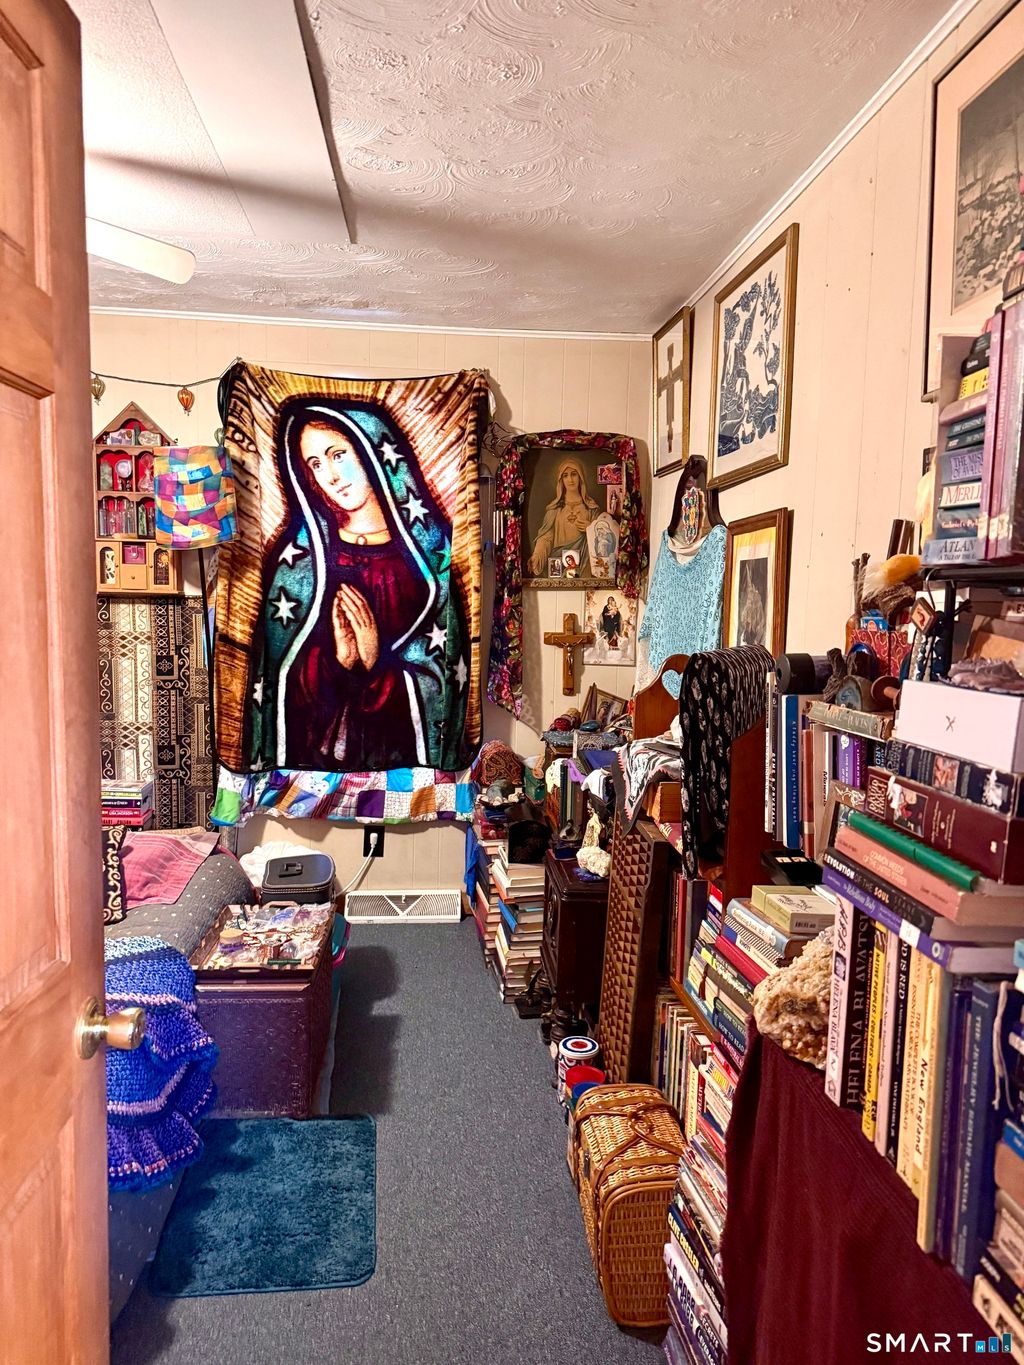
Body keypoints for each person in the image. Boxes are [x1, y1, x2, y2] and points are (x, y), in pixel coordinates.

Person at [254, 399, 467, 772]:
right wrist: (339, 661)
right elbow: (279, 679)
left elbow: (444, 673)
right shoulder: (301, 562)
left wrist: (376, 660)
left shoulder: (431, 554)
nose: (331, 476)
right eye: (315, 464)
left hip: (402, 758)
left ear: (372, 452)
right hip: (321, 765)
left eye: (338, 455)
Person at [527, 457, 599, 576]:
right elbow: (546, 538)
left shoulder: (591, 508)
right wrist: (537, 556)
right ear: (561, 480)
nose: (570, 479)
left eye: (574, 474)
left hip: (585, 566)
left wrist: (591, 529)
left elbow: (603, 540)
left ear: (580, 477)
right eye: (565, 476)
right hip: (559, 565)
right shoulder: (554, 509)